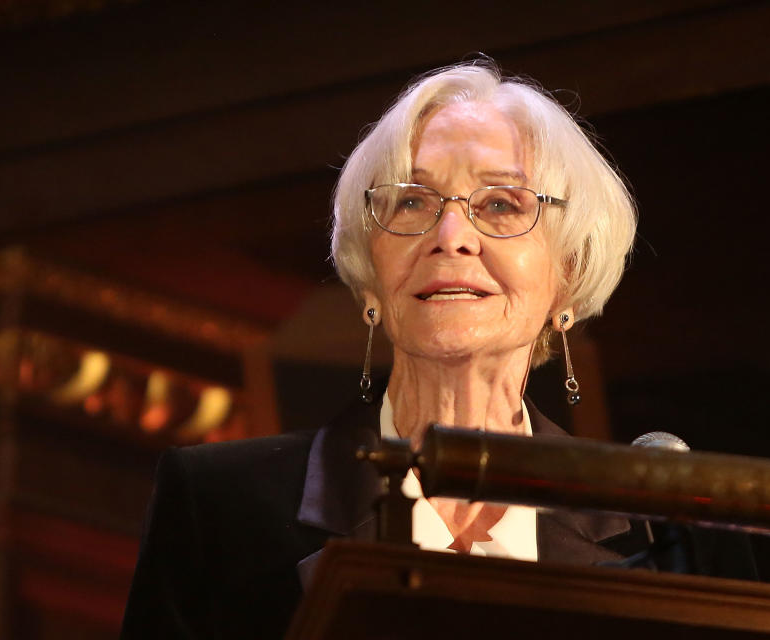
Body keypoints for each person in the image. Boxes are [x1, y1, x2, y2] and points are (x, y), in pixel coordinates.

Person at [120, 60, 637, 639]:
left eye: (500, 205)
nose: (451, 237)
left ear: (567, 274)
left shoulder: (655, 534)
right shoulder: (220, 505)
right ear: (370, 278)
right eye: (412, 202)